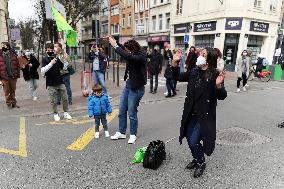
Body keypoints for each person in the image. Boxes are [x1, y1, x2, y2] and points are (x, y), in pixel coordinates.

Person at [171, 47, 227, 178]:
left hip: (204, 115)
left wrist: (218, 85)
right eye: (200, 53)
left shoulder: (215, 74)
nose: (200, 56)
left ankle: (201, 162)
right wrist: (174, 63)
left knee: (193, 141)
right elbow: (177, 76)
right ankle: (197, 159)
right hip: (191, 113)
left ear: (209, 60)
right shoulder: (194, 72)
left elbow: (222, 96)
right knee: (190, 140)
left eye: (203, 54)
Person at [104, 36, 146, 144]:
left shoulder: (140, 56)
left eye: (128, 50)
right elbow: (124, 49)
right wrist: (114, 41)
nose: (126, 51)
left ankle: (133, 134)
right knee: (122, 110)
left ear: (133, 49)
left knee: (132, 112)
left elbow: (126, 55)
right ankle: (121, 132)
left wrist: (115, 46)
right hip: (128, 85)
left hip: (137, 88)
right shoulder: (132, 53)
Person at [41, 43, 72, 121]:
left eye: (51, 50)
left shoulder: (56, 58)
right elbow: (42, 71)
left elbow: (64, 68)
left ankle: (66, 113)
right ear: (46, 51)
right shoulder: (44, 59)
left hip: (60, 82)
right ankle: (55, 114)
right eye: (48, 50)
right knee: (53, 101)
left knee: (65, 98)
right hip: (50, 83)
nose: (50, 52)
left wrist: (65, 61)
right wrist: (51, 63)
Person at [0, 42, 20, 108]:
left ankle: (14, 103)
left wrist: (17, 75)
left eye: (4, 46)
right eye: (1, 46)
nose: (2, 47)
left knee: (13, 91)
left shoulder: (13, 55)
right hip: (4, 77)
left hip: (13, 76)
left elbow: (17, 65)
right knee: (7, 91)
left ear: (8, 47)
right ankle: (9, 103)